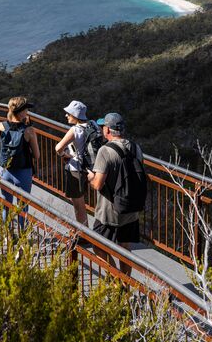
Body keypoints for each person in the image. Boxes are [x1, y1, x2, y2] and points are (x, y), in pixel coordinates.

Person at [89, 112, 146, 276]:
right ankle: (126, 287)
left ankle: (116, 282)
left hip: (109, 212)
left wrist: (91, 177)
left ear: (107, 130)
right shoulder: (136, 148)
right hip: (131, 209)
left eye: (103, 127)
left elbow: (98, 184)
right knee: (125, 249)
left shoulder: (105, 151)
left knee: (98, 246)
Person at [0, 96, 40, 231]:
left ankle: (7, 235)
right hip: (23, 172)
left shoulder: (0, 126)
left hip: (5, 171)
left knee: (6, 204)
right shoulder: (29, 131)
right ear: (22, 112)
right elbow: (37, 155)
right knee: (23, 206)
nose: (28, 110)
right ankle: (22, 238)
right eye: (26, 108)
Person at [55, 99, 94, 225]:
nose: (66, 115)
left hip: (76, 168)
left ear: (75, 115)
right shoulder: (93, 125)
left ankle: (83, 233)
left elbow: (58, 148)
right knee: (84, 201)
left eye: (69, 113)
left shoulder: (75, 130)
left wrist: (64, 156)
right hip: (91, 168)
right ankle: (87, 230)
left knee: (78, 203)